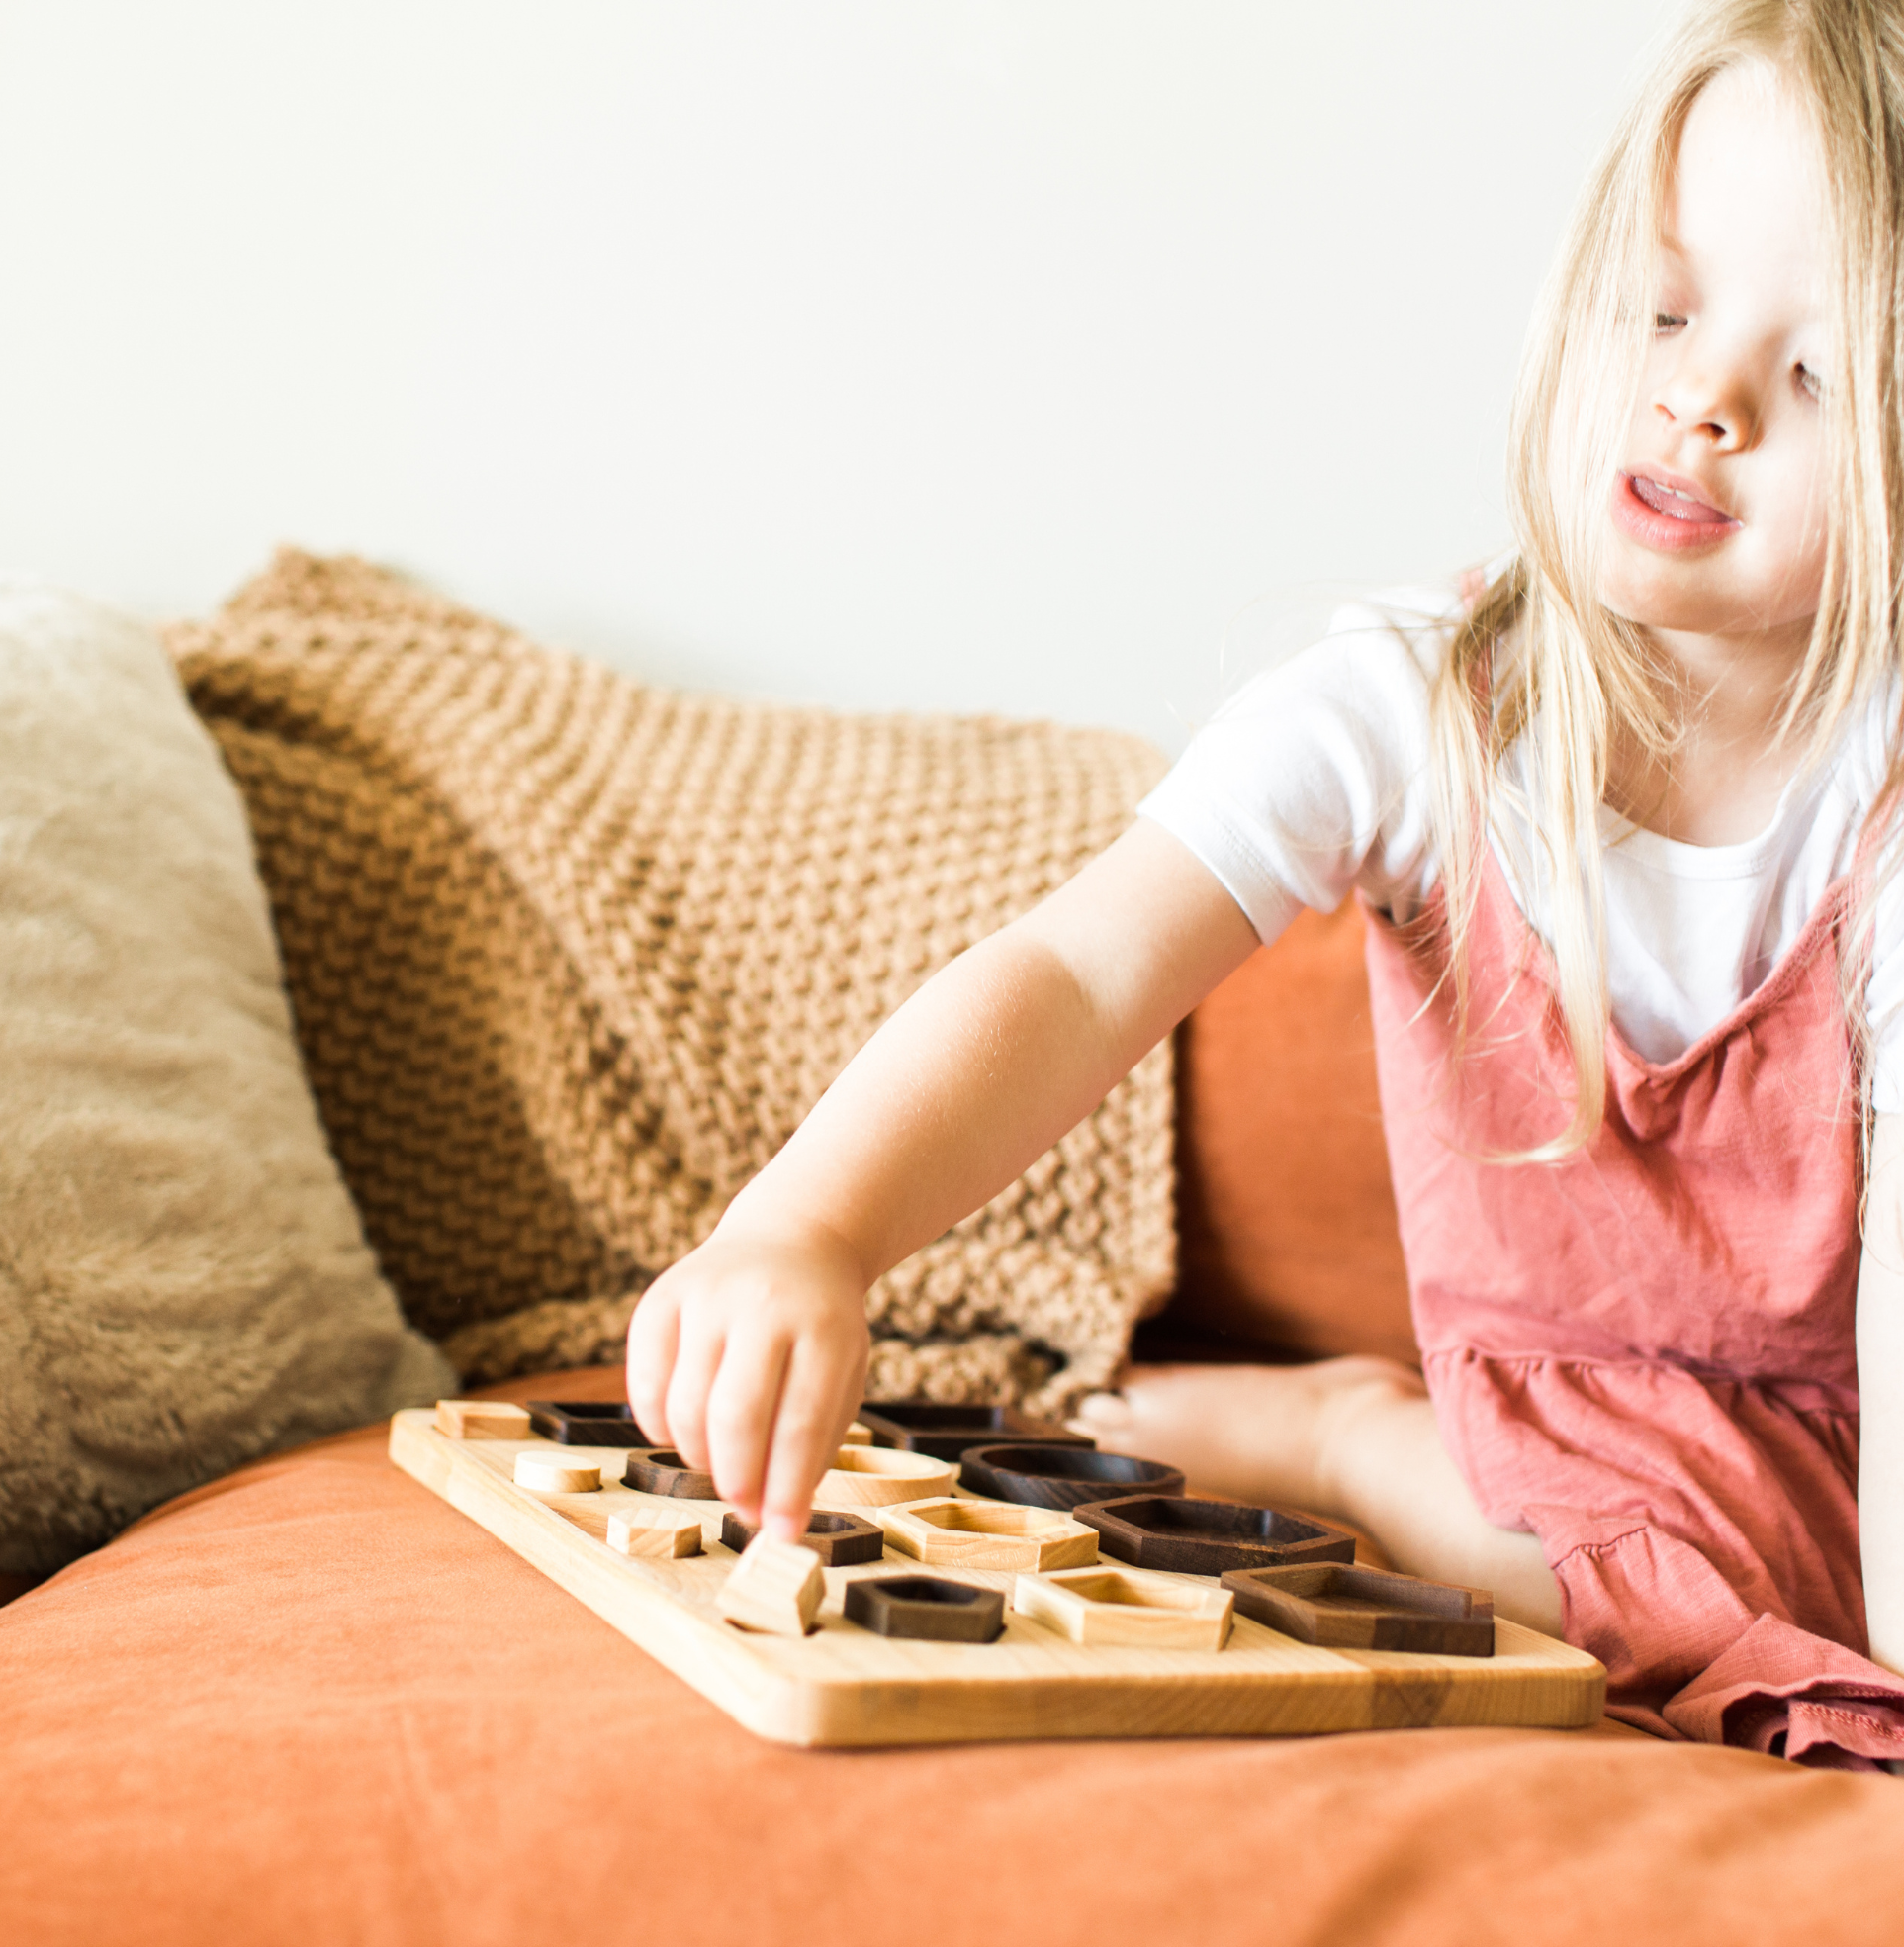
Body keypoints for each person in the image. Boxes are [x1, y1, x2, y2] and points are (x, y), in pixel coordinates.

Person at [627, 0, 1904, 1766]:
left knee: (1810, 1623)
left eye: (1820, 370)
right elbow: (1079, 977)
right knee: (1614, 1594)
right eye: (1663, 306)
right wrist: (804, 1229)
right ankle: (1341, 1441)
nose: (1703, 397)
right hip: (1550, 1439)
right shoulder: (1412, 705)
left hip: (1837, 1441)